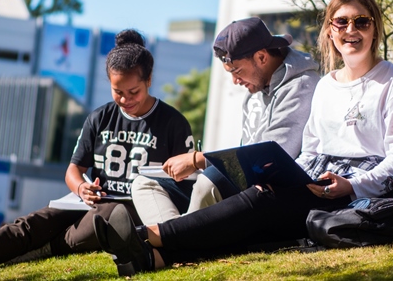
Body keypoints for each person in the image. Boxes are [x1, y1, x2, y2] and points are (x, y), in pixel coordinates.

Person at [95, 0, 393, 276]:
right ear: (330, 31)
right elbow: (310, 150)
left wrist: (352, 184)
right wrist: (297, 177)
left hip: (359, 194)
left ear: (375, 29)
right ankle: (154, 257)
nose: (350, 30)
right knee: (259, 197)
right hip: (318, 185)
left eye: (361, 22)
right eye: (341, 22)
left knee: (259, 199)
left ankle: (147, 237)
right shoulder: (327, 86)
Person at [0, 29, 194, 279]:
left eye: (133, 91)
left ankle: (32, 252)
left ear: (149, 80)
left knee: (108, 216)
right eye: (117, 92)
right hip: (90, 201)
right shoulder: (100, 117)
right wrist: (82, 187)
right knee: (32, 223)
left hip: (133, 210)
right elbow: (73, 170)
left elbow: (187, 185)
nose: (125, 99)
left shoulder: (173, 122)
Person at [131, 17, 320, 224]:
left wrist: (199, 159)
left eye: (237, 71)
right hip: (242, 184)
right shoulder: (256, 88)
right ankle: (172, 238)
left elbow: (269, 157)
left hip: (272, 195)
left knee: (207, 183)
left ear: (262, 57)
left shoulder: (302, 86)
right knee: (145, 184)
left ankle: (170, 241)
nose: (235, 81)